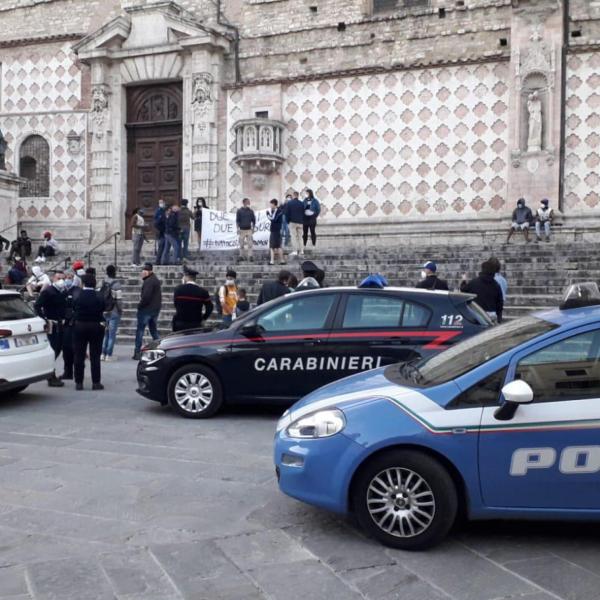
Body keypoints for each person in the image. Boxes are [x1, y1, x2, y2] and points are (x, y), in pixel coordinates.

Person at [72, 273, 106, 391]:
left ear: (83, 283)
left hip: (80, 325)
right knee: (95, 355)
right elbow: (104, 307)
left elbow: (73, 307)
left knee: (79, 355)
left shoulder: (77, 294)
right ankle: (96, 382)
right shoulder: (99, 295)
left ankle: (79, 382)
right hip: (95, 325)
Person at [34, 270, 67, 388]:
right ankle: (50, 375)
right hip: (52, 324)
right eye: (59, 278)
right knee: (54, 349)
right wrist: (44, 319)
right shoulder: (48, 291)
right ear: (53, 278)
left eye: (63, 278)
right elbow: (37, 306)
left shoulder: (63, 290)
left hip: (62, 323)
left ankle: (50, 373)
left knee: (59, 348)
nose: (61, 281)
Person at [133, 263, 162, 360]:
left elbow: (146, 297)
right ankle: (161, 349)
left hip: (146, 310)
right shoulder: (155, 280)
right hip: (154, 310)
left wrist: (139, 306)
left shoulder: (149, 281)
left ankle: (137, 352)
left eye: (144, 271)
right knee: (153, 330)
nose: (142, 272)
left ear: (150, 272)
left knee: (140, 331)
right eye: (142, 270)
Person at [172, 267, 213, 332]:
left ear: (186, 277)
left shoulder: (178, 289)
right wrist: (204, 318)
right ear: (195, 278)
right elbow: (210, 307)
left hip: (180, 323)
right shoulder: (202, 291)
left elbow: (175, 304)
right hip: (196, 323)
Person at [60, 270, 81, 381]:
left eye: (70, 277)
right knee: (66, 350)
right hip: (66, 323)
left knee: (74, 350)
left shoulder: (76, 291)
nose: (67, 279)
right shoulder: (64, 290)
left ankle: (75, 373)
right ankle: (68, 372)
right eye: (66, 277)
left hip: (73, 324)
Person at [100, 265, 123, 362]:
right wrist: (120, 310)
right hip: (113, 311)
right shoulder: (116, 284)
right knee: (111, 335)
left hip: (104, 311)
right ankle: (108, 355)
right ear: (114, 272)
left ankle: (102, 353)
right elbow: (119, 300)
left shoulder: (102, 282)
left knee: (105, 334)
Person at [284, 191, 305, 257]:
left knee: (293, 237)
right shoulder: (301, 203)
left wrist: (288, 221)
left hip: (292, 222)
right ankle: (301, 251)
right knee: (300, 237)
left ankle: (295, 251)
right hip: (300, 222)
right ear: (298, 196)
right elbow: (303, 213)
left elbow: (287, 213)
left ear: (293, 195)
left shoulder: (289, 203)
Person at [236, 198, 256, 262]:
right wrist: (237, 228)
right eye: (248, 202)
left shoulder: (251, 211)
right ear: (244, 203)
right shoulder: (239, 211)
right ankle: (241, 256)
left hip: (249, 229)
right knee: (241, 244)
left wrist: (253, 228)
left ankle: (250, 256)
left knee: (250, 244)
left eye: (249, 202)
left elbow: (254, 220)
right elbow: (237, 220)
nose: (249, 203)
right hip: (242, 230)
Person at [267, 198, 286, 266]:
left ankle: (275, 261)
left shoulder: (278, 211)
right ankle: (281, 260)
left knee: (275, 246)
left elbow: (273, 219)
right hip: (274, 230)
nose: (270, 206)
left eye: (271, 204)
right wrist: (270, 214)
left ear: (274, 204)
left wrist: (268, 215)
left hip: (276, 230)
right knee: (276, 246)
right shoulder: (274, 211)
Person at [154, 199, 166, 265]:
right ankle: (158, 261)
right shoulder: (158, 211)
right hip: (161, 232)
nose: (161, 204)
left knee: (164, 247)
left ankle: (162, 261)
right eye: (160, 203)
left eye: (162, 202)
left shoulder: (164, 211)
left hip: (164, 231)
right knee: (161, 247)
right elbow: (156, 222)